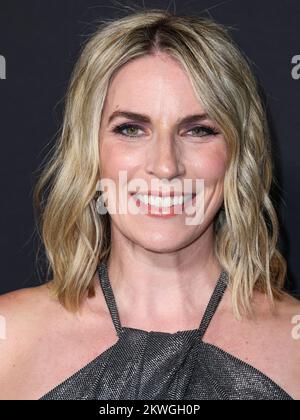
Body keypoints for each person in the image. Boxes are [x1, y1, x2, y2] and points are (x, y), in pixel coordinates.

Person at [0, 9, 299, 400]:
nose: (165, 166)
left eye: (198, 130)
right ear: (90, 151)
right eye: (131, 129)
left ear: (237, 155)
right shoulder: (10, 337)